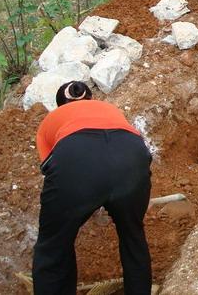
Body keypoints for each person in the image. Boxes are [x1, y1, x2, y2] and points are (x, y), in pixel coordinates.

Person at [33, 81, 152, 295]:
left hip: (76, 160)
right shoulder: (110, 109)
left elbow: (51, 170)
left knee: (53, 247)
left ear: (61, 105)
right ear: (90, 99)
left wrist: (84, 204)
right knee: (133, 235)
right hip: (131, 157)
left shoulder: (51, 120)